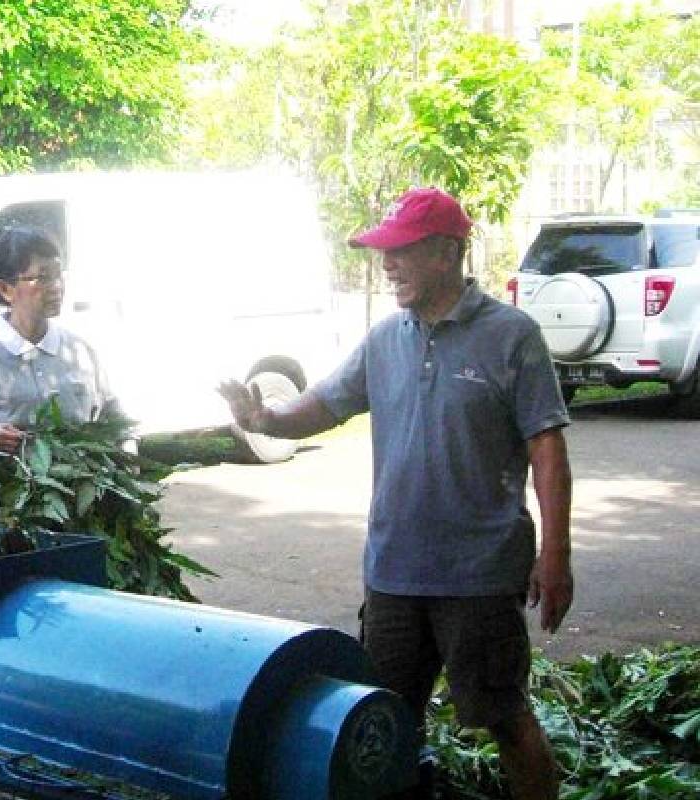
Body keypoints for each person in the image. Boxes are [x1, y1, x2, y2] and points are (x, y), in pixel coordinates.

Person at [220, 188, 572, 800]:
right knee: (379, 723)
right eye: (384, 253)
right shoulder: (385, 338)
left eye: (400, 251)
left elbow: (547, 449)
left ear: (445, 253)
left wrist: (556, 555)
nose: (387, 265)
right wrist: (265, 420)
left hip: (480, 576)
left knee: (505, 718)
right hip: (393, 574)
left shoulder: (512, 335)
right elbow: (325, 404)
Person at [0, 225, 119, 452]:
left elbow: (115, 418)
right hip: (5, 483)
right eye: (43, 278)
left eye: (58, 274)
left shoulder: (79, 352)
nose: (57, 287)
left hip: (81, 482)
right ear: (5, 289)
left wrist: (127, 451)